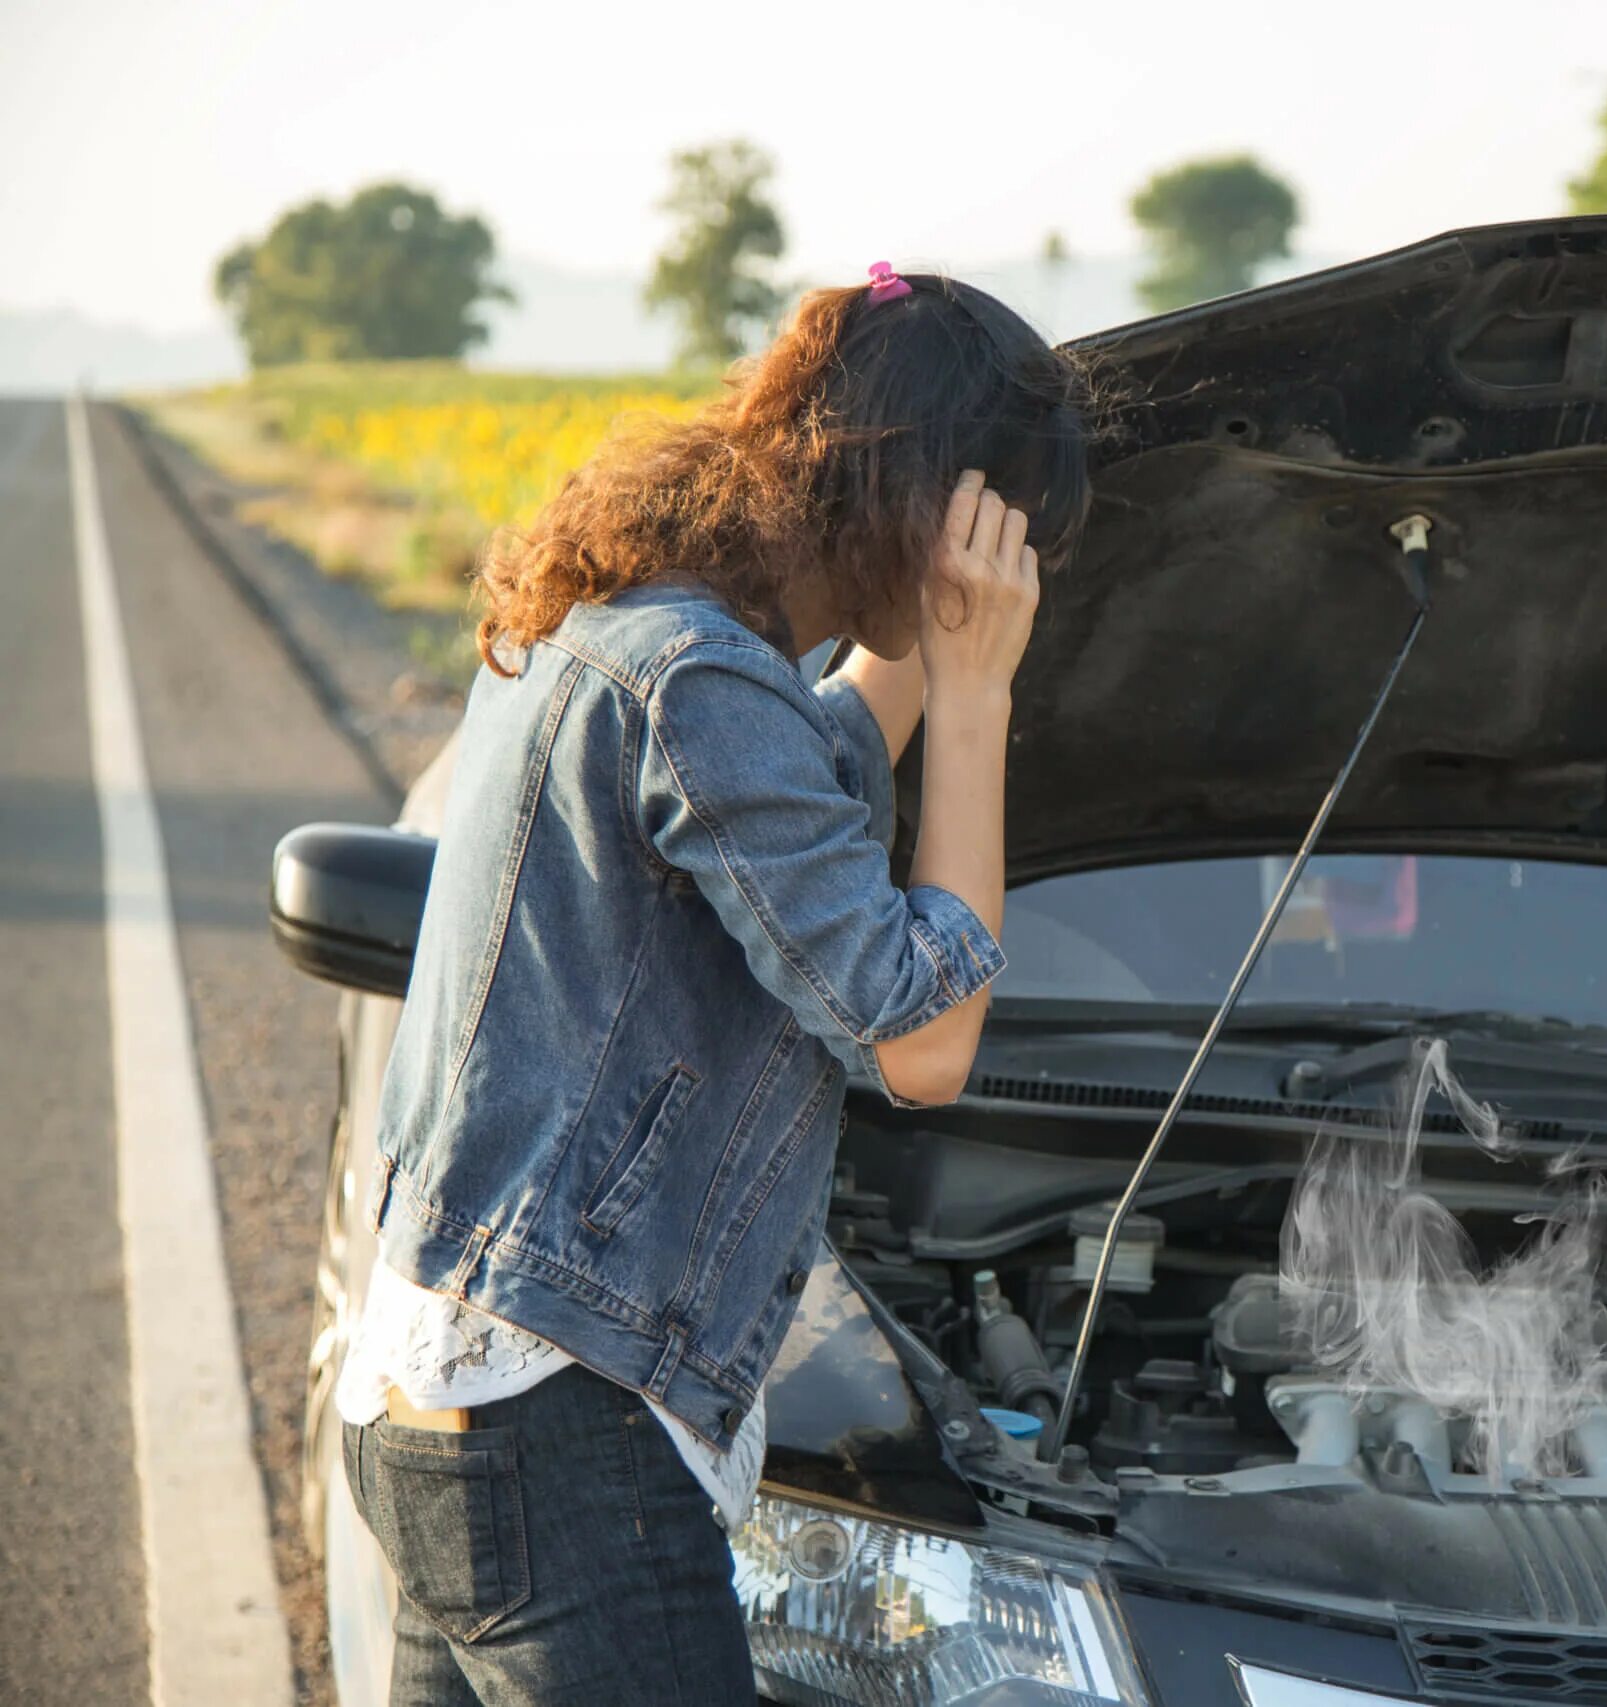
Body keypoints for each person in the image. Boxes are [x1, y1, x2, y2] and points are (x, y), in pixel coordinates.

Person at [335, 265, 1092, 1705]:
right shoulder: (699, 679)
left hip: (449, 1406)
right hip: (560, 1438)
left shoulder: (638, 622)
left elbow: (811, 778)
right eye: (999, 527)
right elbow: (924, 1040)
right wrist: (978, 692)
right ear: (925, 495)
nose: (1009, 577)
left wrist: (920, 648)